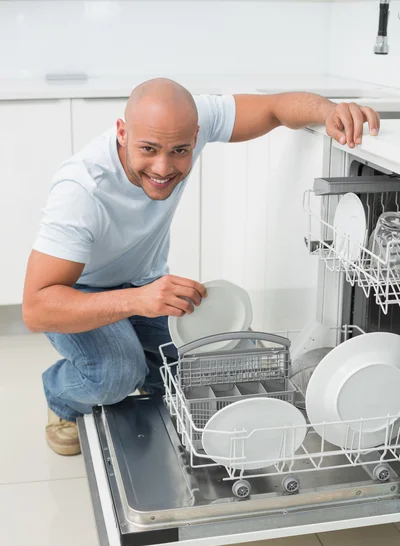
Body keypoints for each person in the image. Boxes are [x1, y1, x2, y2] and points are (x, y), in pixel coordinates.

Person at [22, 78, 380, 456]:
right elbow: (36, 308)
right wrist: (134, 301)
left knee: (222, 359)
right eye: (149, 149)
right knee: (117, 374)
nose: (163, 167)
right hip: (77, 293)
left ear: (195, 135)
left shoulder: (192, 119)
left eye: (180, 150)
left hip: (145, 284)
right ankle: (61, 397)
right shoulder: (81, 192)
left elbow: (276, 107)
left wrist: (330, 112)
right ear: (122, 133)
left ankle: (150, 370)